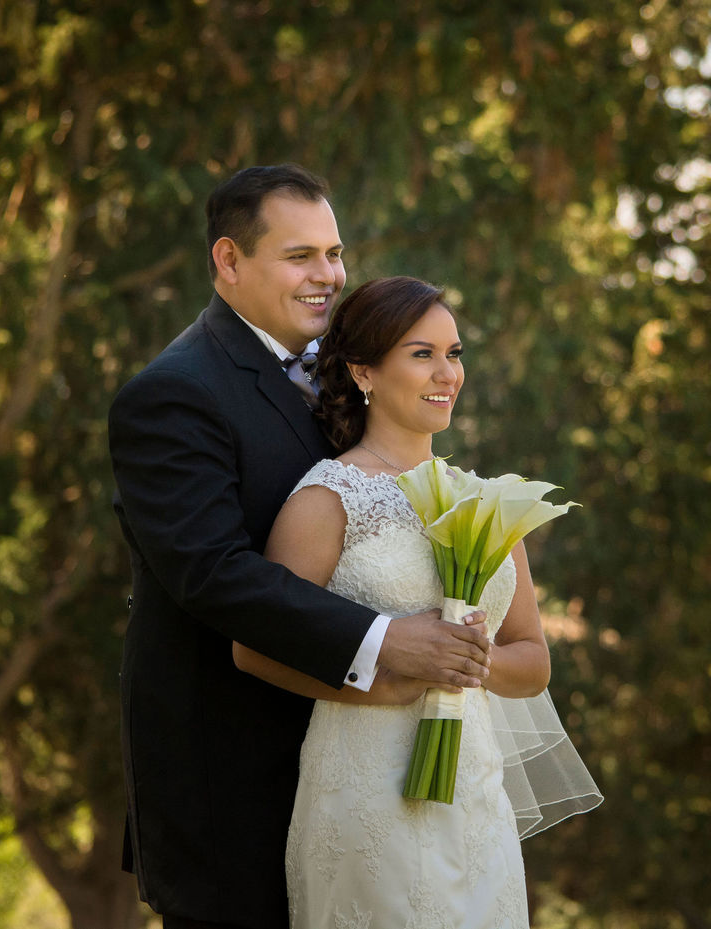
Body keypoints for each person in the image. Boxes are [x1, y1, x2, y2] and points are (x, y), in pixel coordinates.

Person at [108, 167, 494, 929]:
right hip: (235, 784)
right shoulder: (175, 394)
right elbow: (211, 573)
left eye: (335, 252)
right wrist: (386, 639)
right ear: (229, 260)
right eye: (300, 256)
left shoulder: (343, 375)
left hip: (363, 782)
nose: (328, 276)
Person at [234, 276, 603, 928]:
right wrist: (381, 681)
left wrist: (466, 657)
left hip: (475, 803)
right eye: (422, 352)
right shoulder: (327, 498)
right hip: (365, 791)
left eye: (455, 352)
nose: (447, 372)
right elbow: (254, 648)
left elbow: (532, 662)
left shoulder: (486, 503)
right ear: (364, 370)